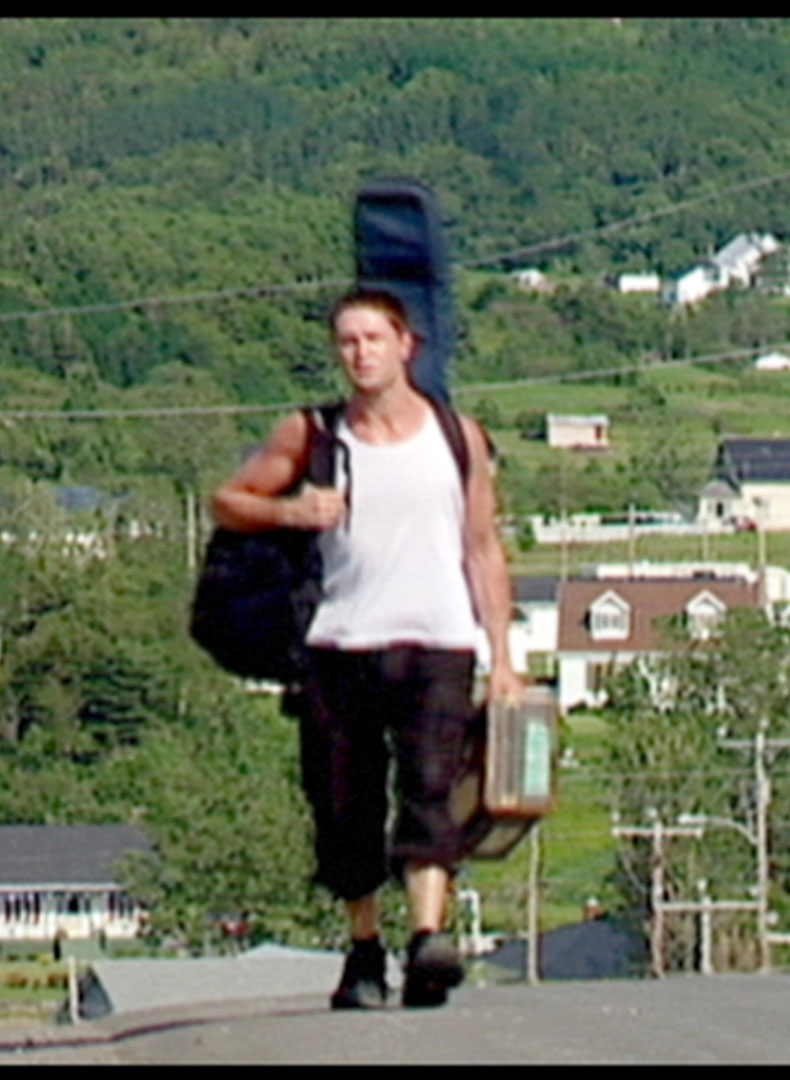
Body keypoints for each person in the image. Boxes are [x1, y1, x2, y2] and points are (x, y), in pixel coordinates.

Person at [212, 287, 522, 1009]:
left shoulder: (457, 438)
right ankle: (364, 949)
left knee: (430, 790)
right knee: (345, 804)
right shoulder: (314, 434)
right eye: (348, 342)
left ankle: (427, 938)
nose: (361, 354)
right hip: (339, 642)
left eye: (374, 339)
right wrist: (292, 510)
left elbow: (482, 547)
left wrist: (503, 657)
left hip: (438, 639)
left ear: (406, 346)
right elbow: (229, 501)